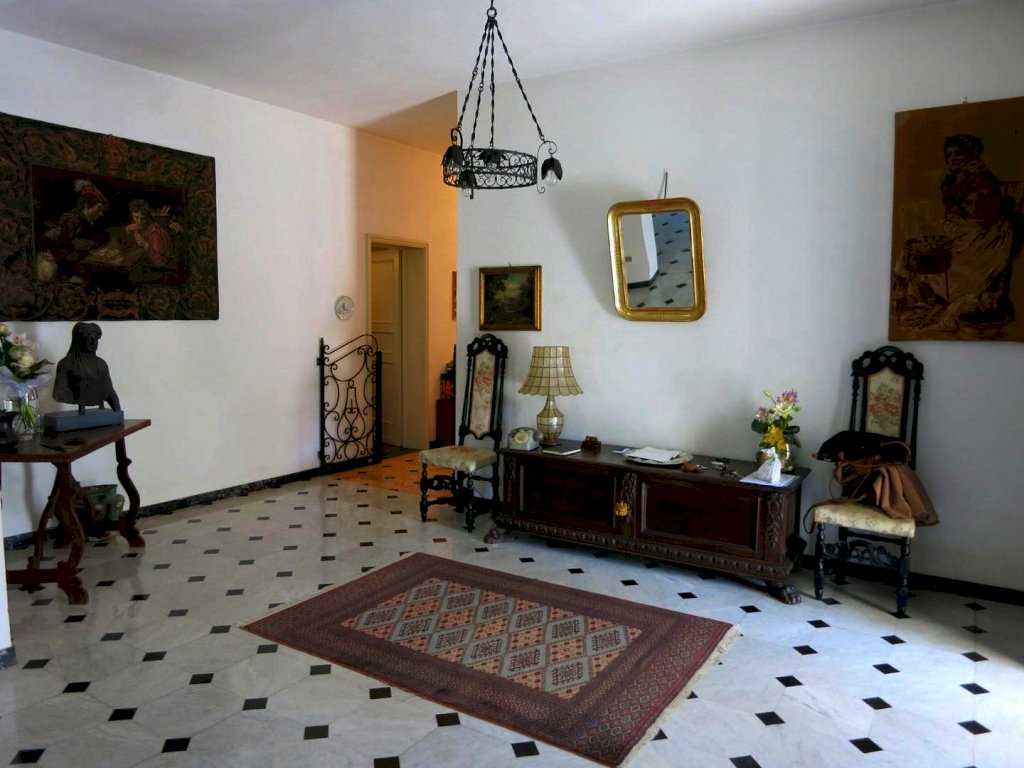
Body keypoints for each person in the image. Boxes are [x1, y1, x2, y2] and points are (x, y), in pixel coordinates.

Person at [935, 133, 1021, 327]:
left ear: (971, 155)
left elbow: (981, 217)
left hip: (991, 233)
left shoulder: (980, 178)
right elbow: (952, 209)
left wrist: (955, 223)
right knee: (941, 252)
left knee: (959, 257)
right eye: (949, 155)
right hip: (969, 229)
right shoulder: (952, 178)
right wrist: (951, 222)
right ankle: (948, 297)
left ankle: (965, 298)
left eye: (958, 153)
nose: (953, 158)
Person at [53, 322, 121, 414]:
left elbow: (109, 391)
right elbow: (60, 392)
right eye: (89, 338)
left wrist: (118, 413)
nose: (93, 342)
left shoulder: (101, 364)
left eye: (96, 339)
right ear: (80, 340)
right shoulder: (66, 363)